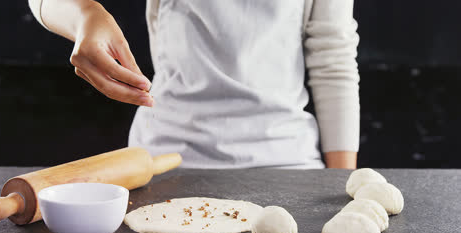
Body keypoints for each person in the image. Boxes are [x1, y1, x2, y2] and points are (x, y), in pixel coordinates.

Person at [28, 0, 360, 169]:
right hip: (161, 164)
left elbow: (334, 58)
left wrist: (344, 190)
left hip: (289, 164)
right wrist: (86, 14)